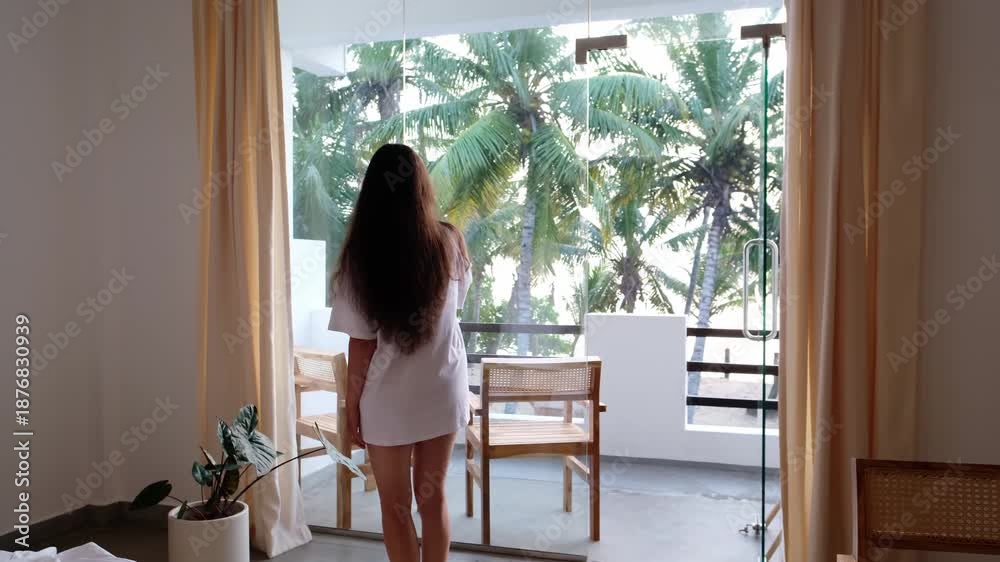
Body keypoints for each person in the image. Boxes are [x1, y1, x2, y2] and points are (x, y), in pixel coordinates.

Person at [329, 143, 471, 562]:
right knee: (433, 497)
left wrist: (352, 406)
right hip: (442, 388)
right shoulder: (449, 241)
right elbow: (454, 309)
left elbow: (361, 344)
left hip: (388, 399)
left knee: (395, 507)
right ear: (422, 188)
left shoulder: (361, 258)